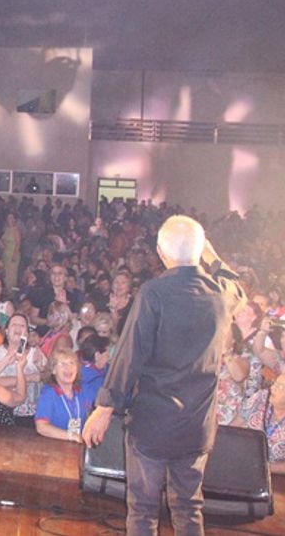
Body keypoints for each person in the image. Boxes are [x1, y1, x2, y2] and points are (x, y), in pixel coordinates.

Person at [82, 216, 245, 535]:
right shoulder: (221, 293)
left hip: (153, 424)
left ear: (160, 252)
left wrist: (104, 407)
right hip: (196, 425)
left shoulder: (153, 292)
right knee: (189, 508)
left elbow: (130, 354)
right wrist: (211, 256)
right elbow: (236, 286)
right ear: (201, 249)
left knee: (143, 512)